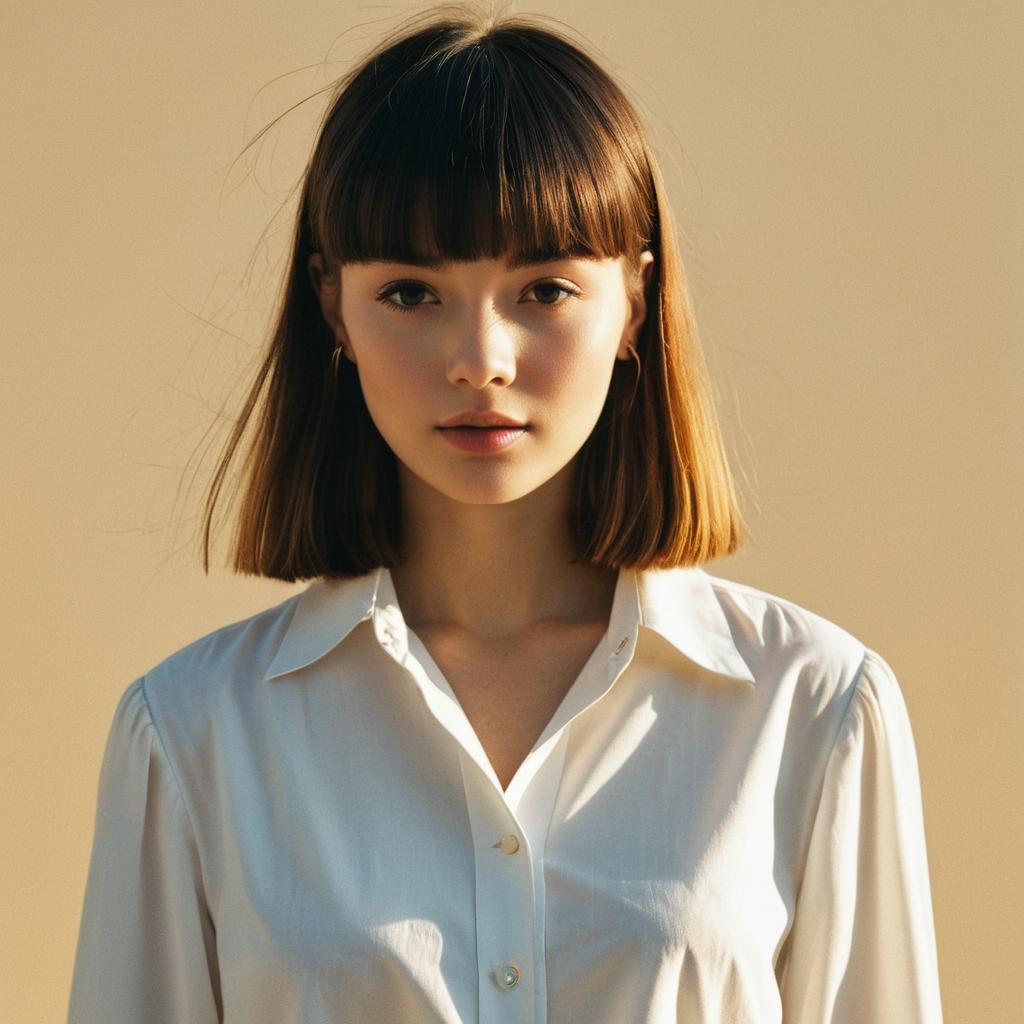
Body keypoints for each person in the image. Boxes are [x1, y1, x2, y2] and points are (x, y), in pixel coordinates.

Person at [65, 5, 944, 1022]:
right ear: (331, 309)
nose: (479, 355)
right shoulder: (193, 735)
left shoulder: (815, 709)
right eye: (409, 291)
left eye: (542, 288)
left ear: (635, 301)